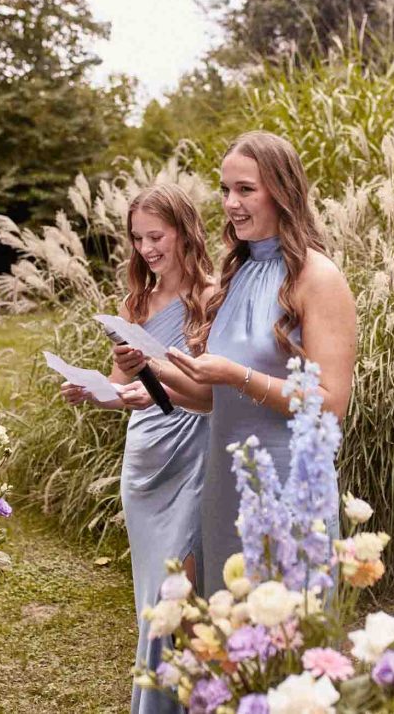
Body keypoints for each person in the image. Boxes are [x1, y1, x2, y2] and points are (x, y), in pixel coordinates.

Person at [115, 132, 357, 595]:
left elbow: (331, 405)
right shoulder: (238, 271)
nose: (230, 203)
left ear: (282, 191)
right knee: (229, 647)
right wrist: (154, 374)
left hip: (288, 486)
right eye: (225, 190)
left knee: (287, 642)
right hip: (225, 488)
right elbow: (212, 399)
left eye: (246, 189)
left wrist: (236, 375)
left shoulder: (318, 277)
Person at [60, 184, 213, 714]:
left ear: (184, 230)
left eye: (157, 235)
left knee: (183, 591)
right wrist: (96, 393)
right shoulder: (134, 302)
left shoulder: (213, 295)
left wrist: (149, 382)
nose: (147, 248)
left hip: (196, 449)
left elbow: (208, 390)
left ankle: (195, 700)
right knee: (154, 597)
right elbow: (130, 392)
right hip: (145, 459)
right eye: (138, 238)